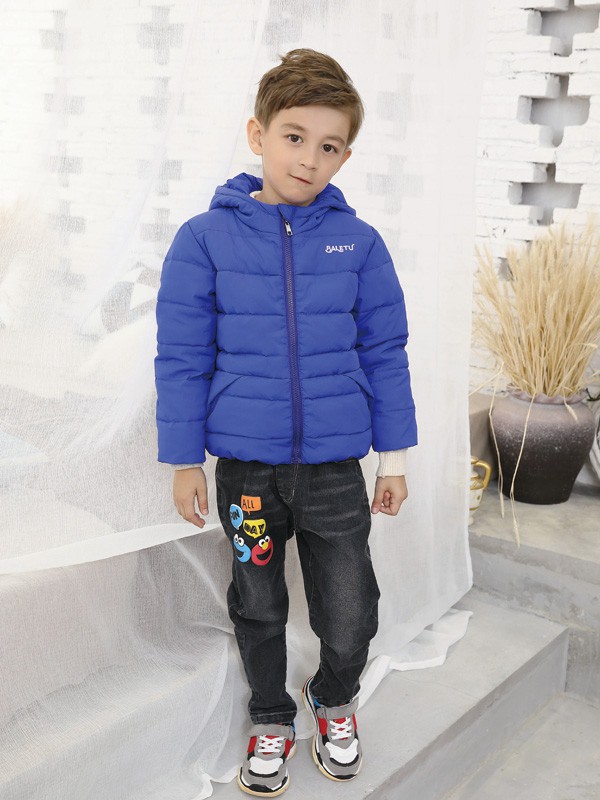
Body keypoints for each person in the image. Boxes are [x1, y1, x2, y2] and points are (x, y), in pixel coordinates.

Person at [154, 47, 417, 797]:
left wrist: (394, 459)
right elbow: (182, 357)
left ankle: (333, 697)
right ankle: (270, 715)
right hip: (245, 471)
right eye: (294, 137)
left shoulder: (359, 244)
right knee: (259, 602)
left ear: (346, 156)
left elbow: (386, 352)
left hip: (336, 470)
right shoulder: (203, 239)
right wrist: (184, 460)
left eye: (329, 146)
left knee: (352, 610)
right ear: (258, 134)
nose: (309, 159)